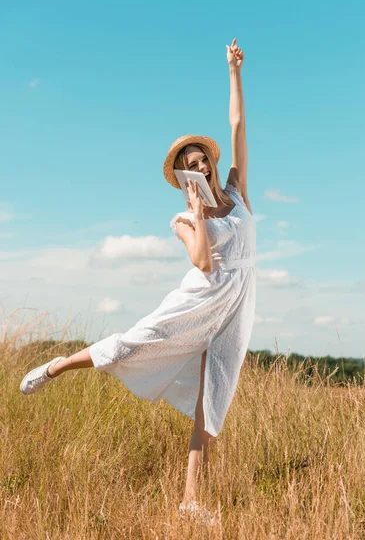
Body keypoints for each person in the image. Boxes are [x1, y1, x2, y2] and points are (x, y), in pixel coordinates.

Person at [19, 38, 256, 524]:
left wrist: (233, 72)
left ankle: (190, 499)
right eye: (193, 166)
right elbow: (205, 267)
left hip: (239, 305)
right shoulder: (183, 220)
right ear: (185, 177)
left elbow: (237, 127)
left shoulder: (237, 190)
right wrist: (196, 215)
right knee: (133, 343)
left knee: (214, 399)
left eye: (203, 160)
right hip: (201, 299)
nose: (203, 166)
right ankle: (59, 366)